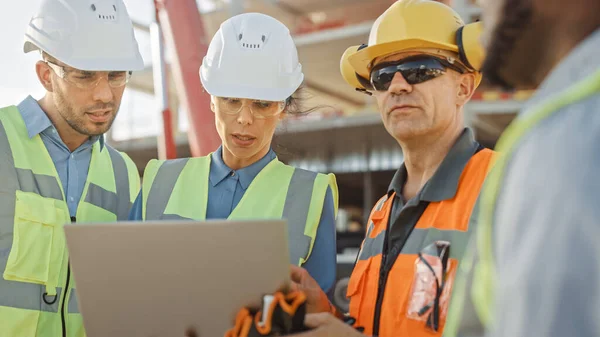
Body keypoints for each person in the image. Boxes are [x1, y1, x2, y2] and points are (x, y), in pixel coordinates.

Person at [230, 1, 496, 336]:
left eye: (420, 69)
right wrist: (322, 310)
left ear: (464, 87)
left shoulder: (505, 189)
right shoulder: (382, 214)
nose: (398, 86)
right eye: (382, 77)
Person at [128, 13, 339, 293]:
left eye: (262, 104)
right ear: (212, 99)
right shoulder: (159, 182)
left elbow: (317, 312)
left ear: (283, 108)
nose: (244, 119)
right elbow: (126, 286)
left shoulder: (311, 195)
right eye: (231, 100)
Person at [443, 0, 600, 336]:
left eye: (418, 71)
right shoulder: (558, 126)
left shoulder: (573, 132)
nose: (478, 3)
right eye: (381, 76)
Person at [0, 0, 143, 336]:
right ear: (46, 75)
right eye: (85, 75)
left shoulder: (124, 175)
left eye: (116, 75)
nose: (105, 94)